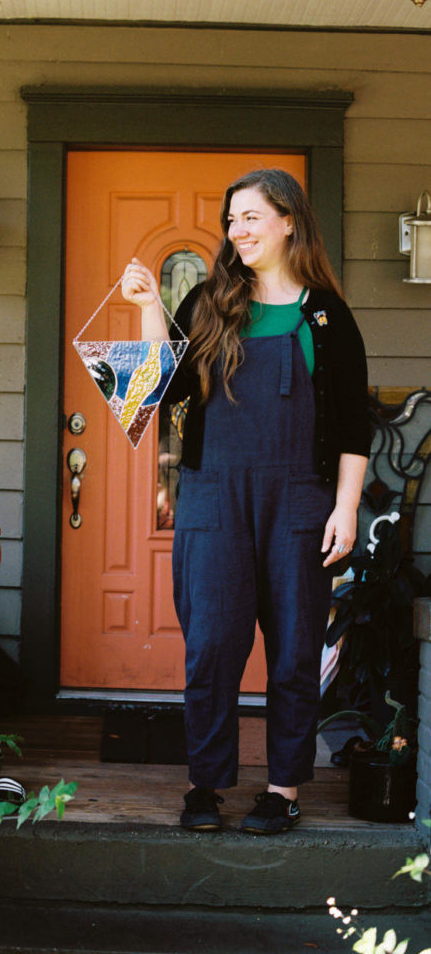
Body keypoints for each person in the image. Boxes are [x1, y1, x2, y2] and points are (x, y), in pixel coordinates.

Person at [121, 168, 371, 835]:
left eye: (252, 216)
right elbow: (161, 392)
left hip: (300, 500)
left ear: (289, 221)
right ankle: (205, 785)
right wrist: (148, 307)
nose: (238, 230)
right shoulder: (206, 301)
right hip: (211, 496)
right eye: (231, 219)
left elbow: (352, 425)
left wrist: (345, 509)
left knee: (292, 652)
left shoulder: (324, 313)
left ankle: (282, 789)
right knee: (210, 648)